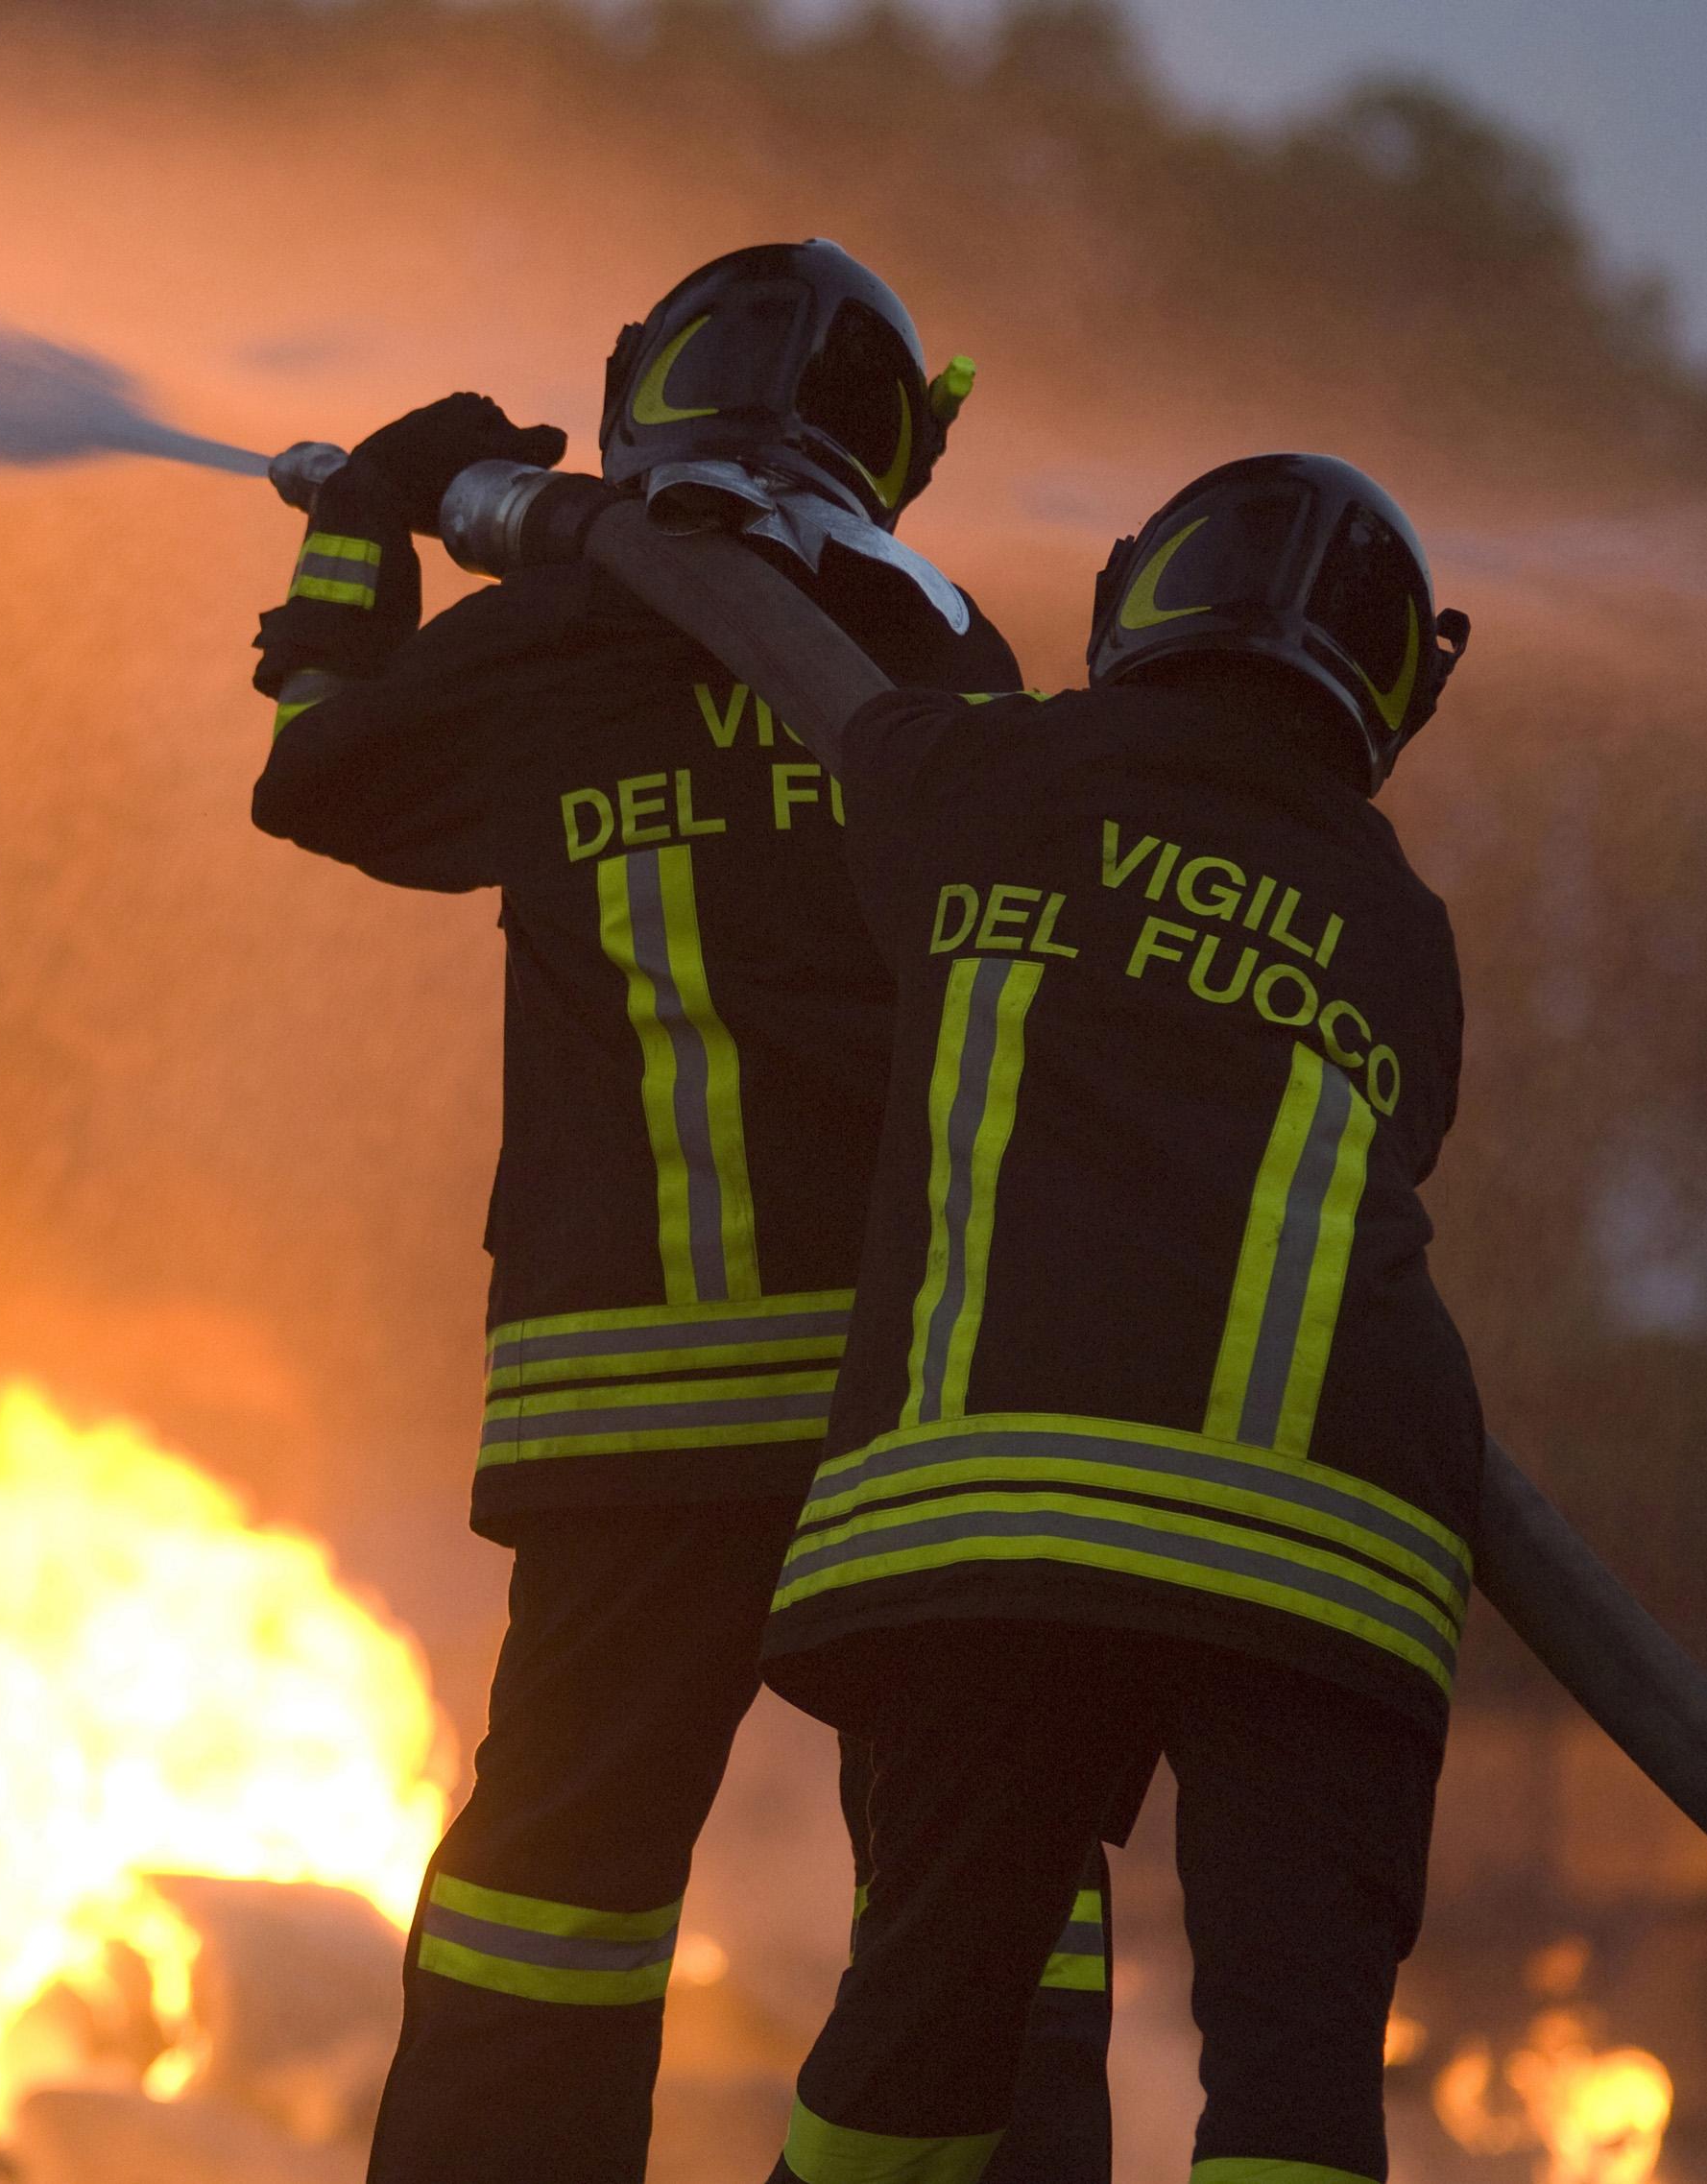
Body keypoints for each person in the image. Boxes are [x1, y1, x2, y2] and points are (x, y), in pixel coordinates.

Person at [248, 240, 1115, 2184]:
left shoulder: (556, 644)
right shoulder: (940, 657)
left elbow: (317, 773)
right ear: (888, 446)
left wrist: (364, 528)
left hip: (636, 1403)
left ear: (649, 388)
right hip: (917, 1407)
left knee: (560, 1876)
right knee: (987, 1856)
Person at [621, 452, 1477, 2184]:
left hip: (1014, 1506)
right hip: (1346, 1540)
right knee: (1296, 2088)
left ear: (1136, 596)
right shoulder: (1403, 928)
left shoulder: (983, 775)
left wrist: (663, 528)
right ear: (1395, 685)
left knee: (922, 2037)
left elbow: (814, 694)